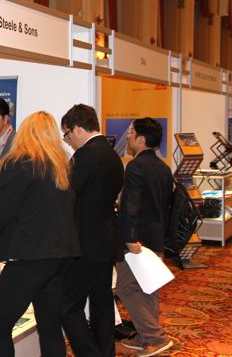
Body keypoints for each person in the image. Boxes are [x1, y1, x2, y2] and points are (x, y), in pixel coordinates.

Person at [0, 111, 81, 357]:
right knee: (50, 326)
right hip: (59, 257)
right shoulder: (61, 166)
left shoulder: (20, 163)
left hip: (30, 257)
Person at [60, 104, 124, 357]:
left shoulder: (86, 155)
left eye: (67, 135)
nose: (67, 141)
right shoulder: (112, 154)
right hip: (105, 241)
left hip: (85, 243)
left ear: (77, 129)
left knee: (67, 305)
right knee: (102, 303)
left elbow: (69, 194)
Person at [116, 117, 174, 357]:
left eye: (131, 133)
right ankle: (145, 334)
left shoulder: (135, 167)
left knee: (126, 288)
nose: (128, 137)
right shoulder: (164, 168)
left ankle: (155, 337)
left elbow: (131, 205)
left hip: (137, 241)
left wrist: (129, 238)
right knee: (148, 288)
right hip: (155, 238)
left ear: (141, 139)